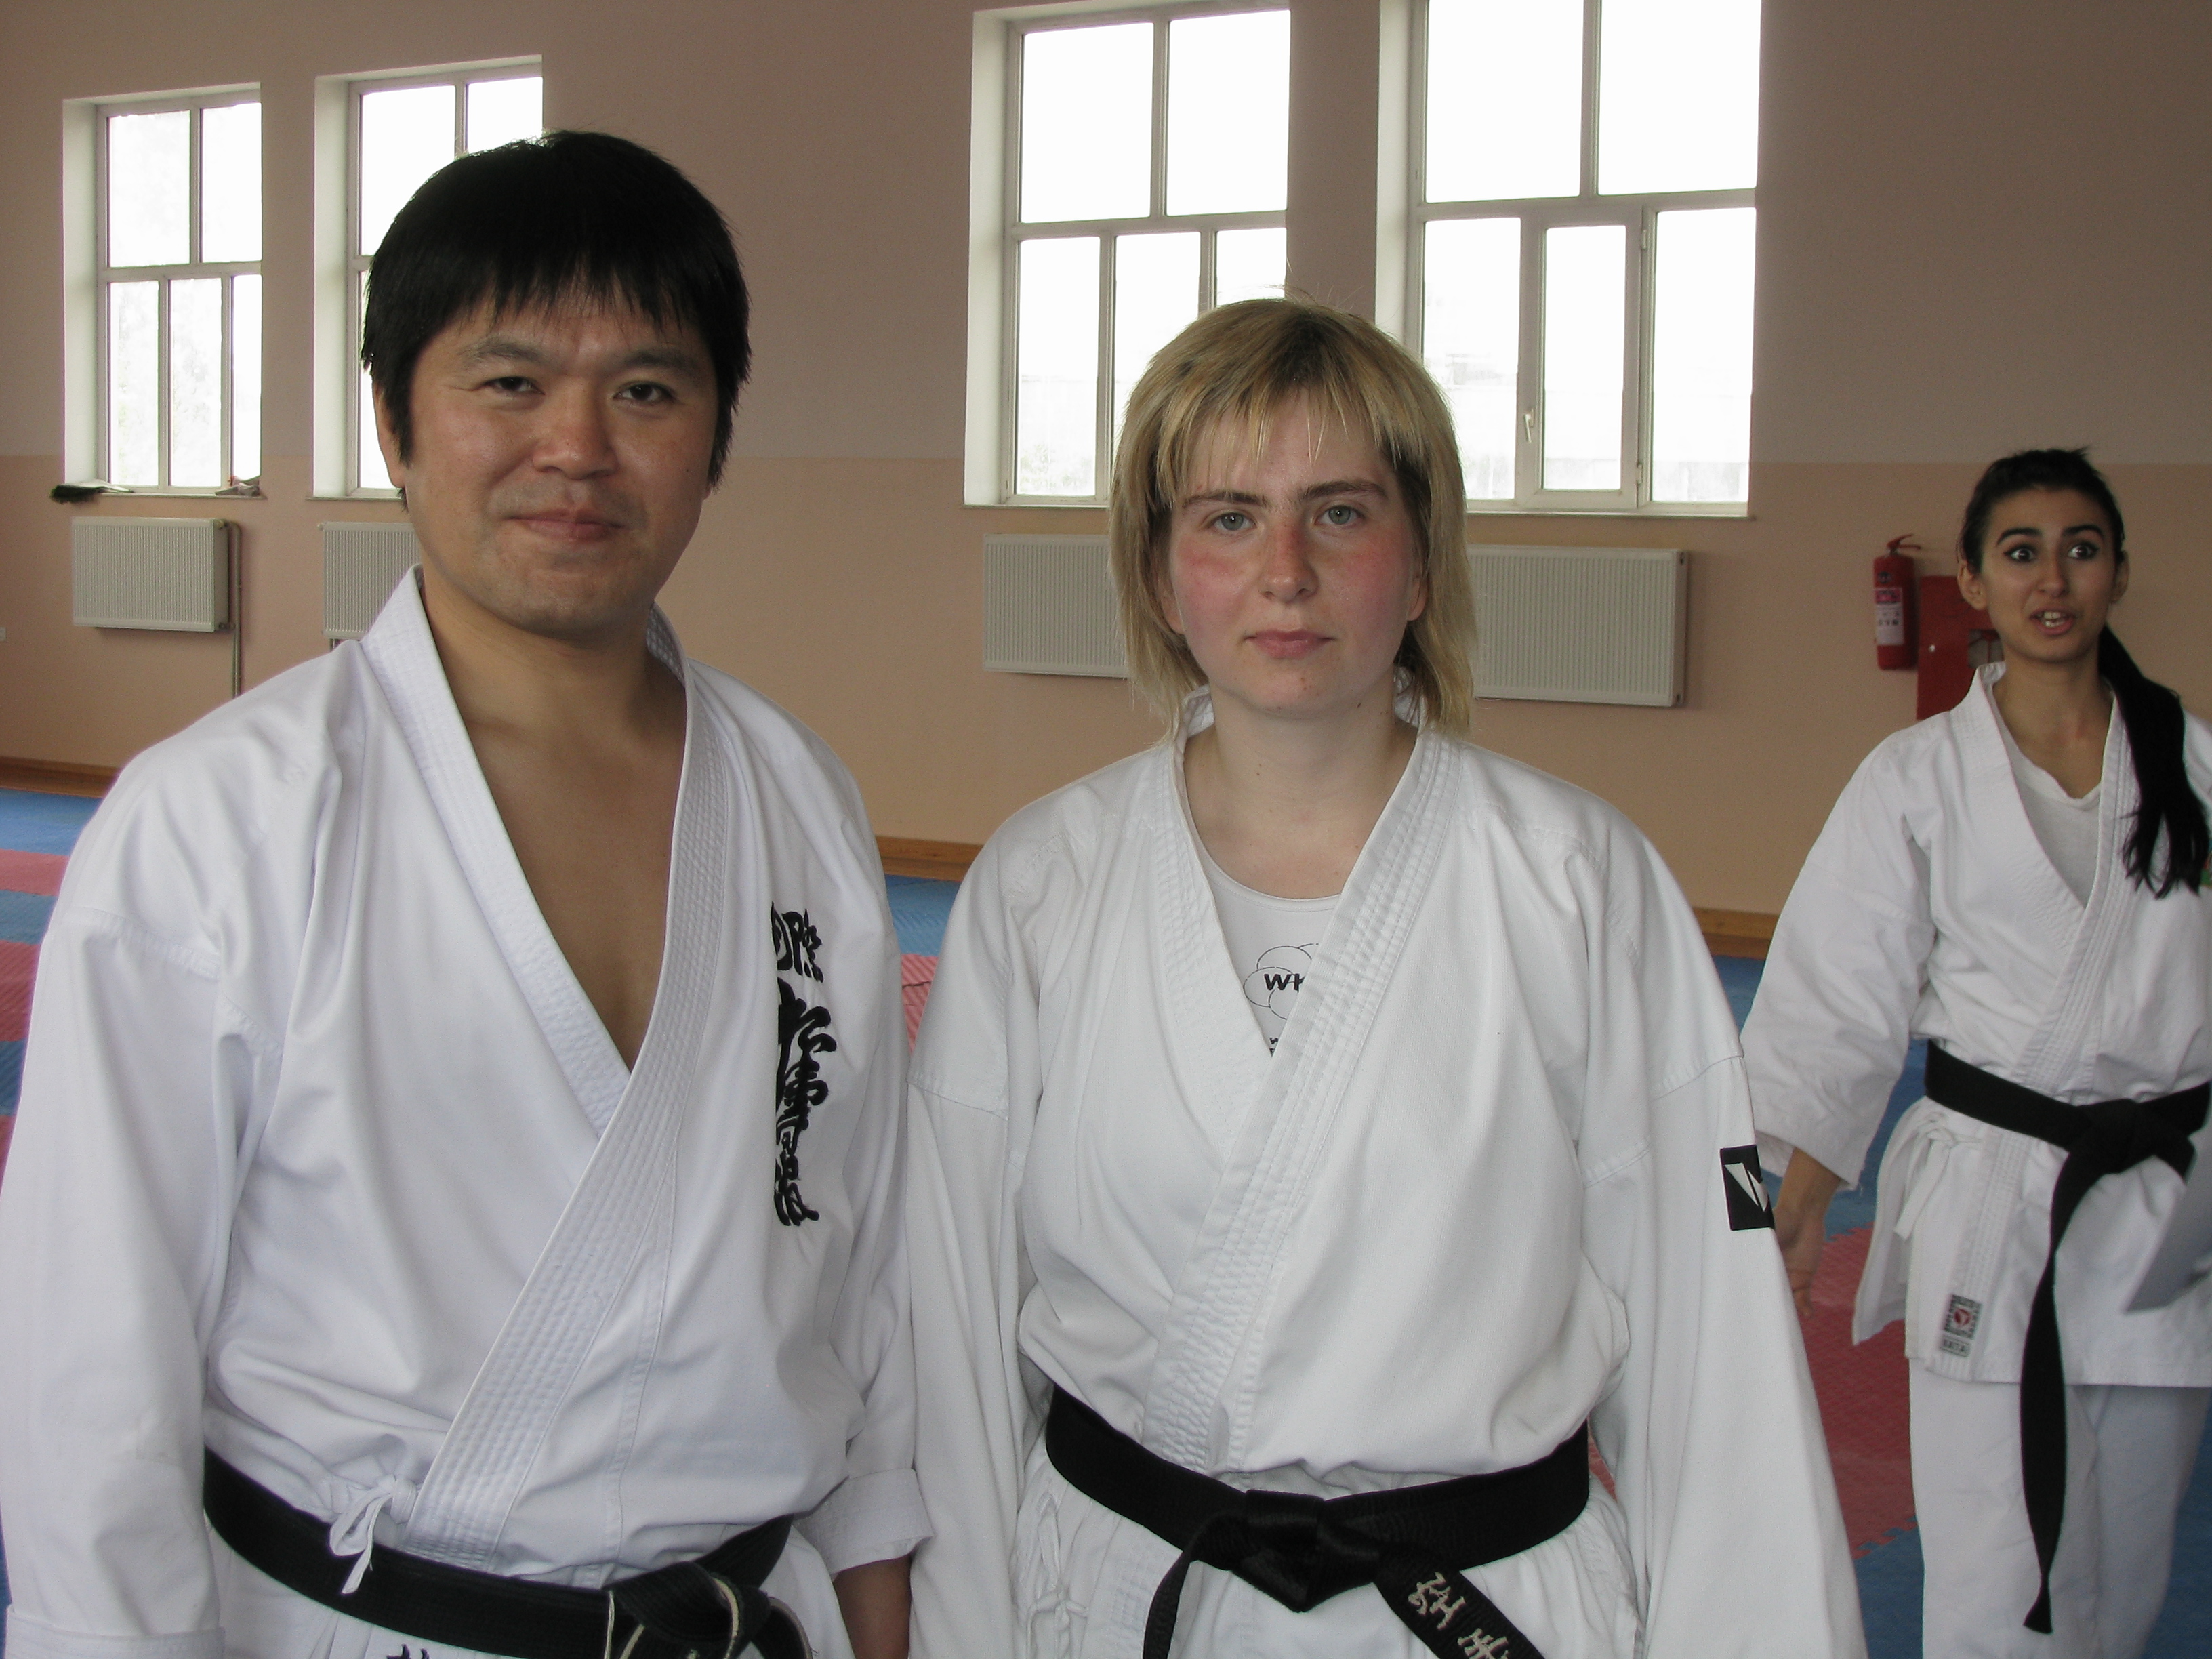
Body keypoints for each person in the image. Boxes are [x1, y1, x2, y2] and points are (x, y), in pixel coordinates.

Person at [0, 132, 922, 1659]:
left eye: (648, 390)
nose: (579, 447)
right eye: (509, 382)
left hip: (749, 1617)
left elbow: (868, 1262)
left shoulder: (797, 796)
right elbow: (91, 1362)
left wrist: (879, 1603)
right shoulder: (220, 822)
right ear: (393, 420)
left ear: (715, 435)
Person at [905, 298, 1862, 1659]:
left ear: (1420, 565)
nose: (1285, 572)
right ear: (1161, 573)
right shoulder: (1041, 883)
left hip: (1477, 1604)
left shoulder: (1577, 880)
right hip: (1122, 1603)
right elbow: (950, 1318)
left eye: (1341, 513)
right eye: (1229, 518)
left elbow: (1715, 1344)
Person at [1744, 448, 2212, 1658]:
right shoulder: (1916, 779)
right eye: (2021, 552)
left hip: (2165, 1207)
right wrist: (1794, 1201)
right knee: (1993, 1566)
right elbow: (1837, 995)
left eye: (2081, 550)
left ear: (2117, 573)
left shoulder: (2194, 766)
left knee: (2128, 1568)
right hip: (1997, 1206)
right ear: (1974, 580)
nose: (2053, 579)